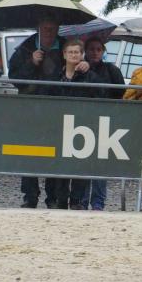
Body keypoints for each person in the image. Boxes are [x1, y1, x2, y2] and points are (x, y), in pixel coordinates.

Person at [8, 16, 88, 208]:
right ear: (39, 28)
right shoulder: (25, 48)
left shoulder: (65, 47)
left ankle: (53, 197)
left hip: (58, 110)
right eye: (45, 28)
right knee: (28, 154)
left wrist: (86, 66)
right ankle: (30, 196)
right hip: (31, 110)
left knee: (56, 153)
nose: (48, 32)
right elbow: (15, 77)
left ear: (57, 29)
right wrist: (31, 63)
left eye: (52, 29)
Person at [80, 36, 125, 210]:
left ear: (103, 51)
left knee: (100, 164)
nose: (95, 52)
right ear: (86, 51)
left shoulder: (112, 70)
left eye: (98, 49)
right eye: (91, 49)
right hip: (83, 121)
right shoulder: (79, 68)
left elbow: (119, 92)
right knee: (82, 163)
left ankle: (98, 202)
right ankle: (81, 200)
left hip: (104, 121)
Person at [54, 39, 99, 209]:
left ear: (82, 55)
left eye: (77, 52)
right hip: (59, 126)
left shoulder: (90, 75)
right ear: (64, 54)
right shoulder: (56, 75)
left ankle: (77, 201)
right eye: (70, 52)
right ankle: (60, 200)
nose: (74, 55)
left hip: (82, 126)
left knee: (80, 165)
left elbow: (100, 93)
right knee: (61, 166)